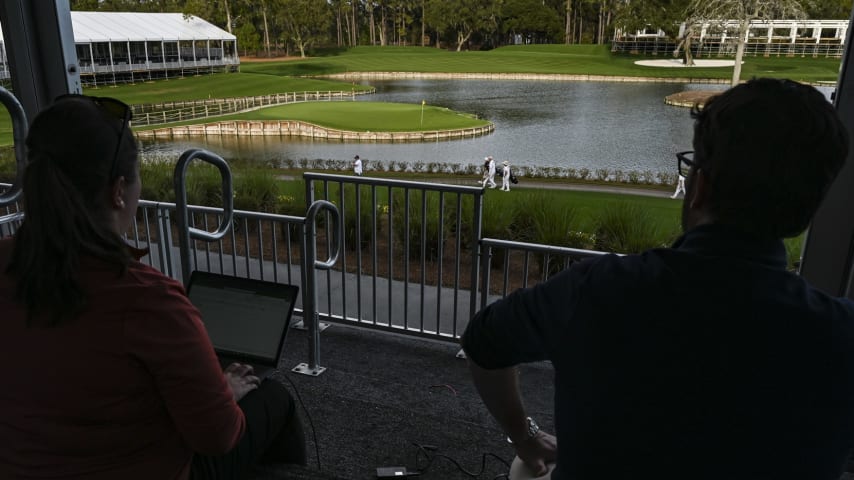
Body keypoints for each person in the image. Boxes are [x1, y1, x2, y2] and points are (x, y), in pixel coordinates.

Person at [461, 78, 854, 480]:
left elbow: (481, 342)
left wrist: (524, 436)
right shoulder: (842, 336)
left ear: (699, 187)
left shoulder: (598, 290)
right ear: (808, 210)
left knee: (526, 470)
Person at [0, 95, 306, 480]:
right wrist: (225, 390)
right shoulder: (149, 302)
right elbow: (219, 436)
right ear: (119, 190)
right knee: (273, 397)